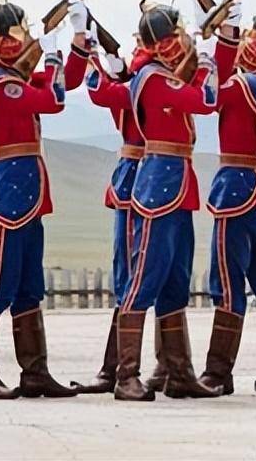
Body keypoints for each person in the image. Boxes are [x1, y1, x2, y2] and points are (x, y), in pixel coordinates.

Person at [0, 0, 90, 399]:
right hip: (8, 193)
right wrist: (51, 54)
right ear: (5, 37)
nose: (25, 39)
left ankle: (34, 371)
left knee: (27, 287)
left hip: (29, 193)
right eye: (20, 30)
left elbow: (68, 82)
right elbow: (54, 99)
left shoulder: (12, 77)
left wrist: (77, 35)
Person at [114, 1, 221, 402]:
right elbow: (205, 100)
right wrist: (208, 62)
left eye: (173, 38)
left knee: (175, 281)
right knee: (144, 279)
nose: (170, 46)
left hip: (175, 183)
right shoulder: (152, 77)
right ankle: (127, 375)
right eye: (164, 40)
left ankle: (179, 372)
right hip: (159, 183)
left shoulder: (158, 73)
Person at [197, 2, 256, 395]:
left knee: (228, 285)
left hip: (235, 191)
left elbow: (210, 97)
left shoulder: (245, 84)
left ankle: (218, 374)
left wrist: (220, 41)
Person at [70, 36, 146, 394]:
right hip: (138, 179)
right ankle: (116, 368)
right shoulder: (142, 80)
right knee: (129, 274)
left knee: (151, 273)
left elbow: (101, 87)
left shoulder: (148, 78)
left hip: (150, 178)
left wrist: (97, 62)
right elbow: (102, 90)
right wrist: (94, 56)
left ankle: (145, 367)